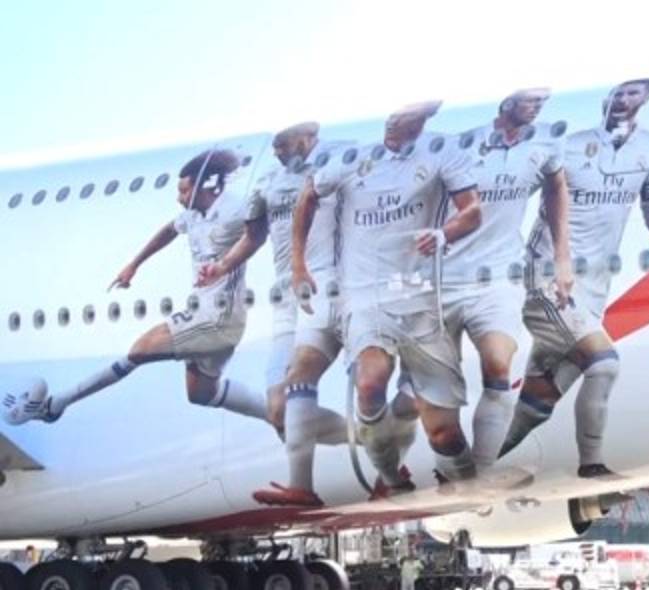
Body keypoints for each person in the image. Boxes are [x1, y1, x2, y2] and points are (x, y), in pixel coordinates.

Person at [3, 150, 273, 431]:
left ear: (204, 186)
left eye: (183, 190)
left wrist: (225, 264)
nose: (179, 198)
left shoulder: (234, 209)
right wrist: (134, 264)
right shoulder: (193, 215)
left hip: (217, 317)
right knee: (200, 394)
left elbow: (257, 233)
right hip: (210, 312)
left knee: (139, 352)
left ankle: (56, 404)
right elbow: (169, 231)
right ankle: (282, 417)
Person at [498, 78, 649, 478]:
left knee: (539, 400)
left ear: (647, 97)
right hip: (549, 279)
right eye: (618, 91)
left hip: (594, 288)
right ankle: (592, 466)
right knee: (604, 364)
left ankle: (486, 460)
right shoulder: (569, 145)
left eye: (633, 92)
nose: (622, 99)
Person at [312, 102, 483, 496]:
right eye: (389, 118)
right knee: (370, 384)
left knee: (443, 430)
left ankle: (469, 491)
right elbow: (310, 193)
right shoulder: (353, 159)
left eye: (402, 118)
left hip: (424, 301)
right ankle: (389, 476)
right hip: (370, 299)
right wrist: (303, 265)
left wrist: (443, 234)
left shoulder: (441, 154)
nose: (392, 123)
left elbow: (472, 209)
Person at [434, 88, 572, 468]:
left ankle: (481, 471)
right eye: (530, 101)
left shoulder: (543, 145)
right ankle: (459, 471)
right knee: (432, 404)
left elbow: (557, 186)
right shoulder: (463, 145)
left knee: (498, 368)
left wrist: (562, 254)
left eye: (541, 104)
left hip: (499, 277)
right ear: (506, 104)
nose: (536, 109)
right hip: (444, 279)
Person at [251, 123, 353, 507]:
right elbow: (251, 235)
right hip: (286, 297)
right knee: (278, 408)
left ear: (307, 136)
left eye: (281, 143)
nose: (276, 151)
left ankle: (303, 488)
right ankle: (376, 438)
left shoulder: (344, 156)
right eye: (273, 145)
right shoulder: (271, 180)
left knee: (300, 383)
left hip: (325, 288)